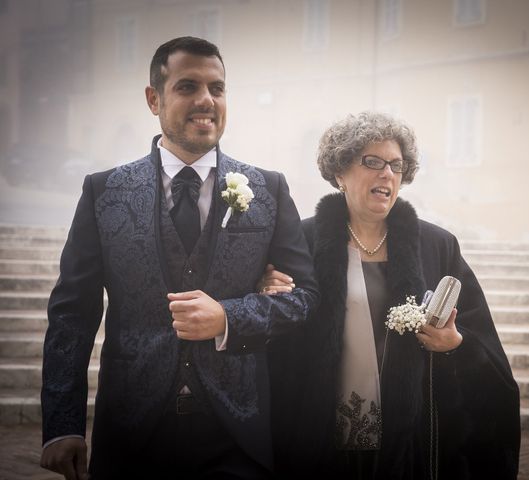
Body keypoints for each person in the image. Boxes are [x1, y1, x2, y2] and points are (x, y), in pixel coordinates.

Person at [40, 36, 319, 480]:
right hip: (132, 428)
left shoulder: (268, 188)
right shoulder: (103, 191)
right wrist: (61, 425)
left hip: (237, 430)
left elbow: (304, 296)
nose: (206, 100)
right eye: (188, 86)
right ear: (154, 99)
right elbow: (72, 314)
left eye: (217, 88)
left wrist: (227, 317)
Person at [264, 112, 521, 479]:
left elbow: (483, 347)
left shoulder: (438, 245)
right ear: (339, 171)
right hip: (316, 433)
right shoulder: (300, 243)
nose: (387, 173)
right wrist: (270, 294)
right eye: (373, 161)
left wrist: (453, 343)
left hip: (409, 440)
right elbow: (275, 338)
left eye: (396, 166)